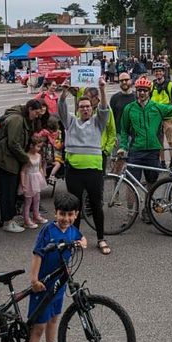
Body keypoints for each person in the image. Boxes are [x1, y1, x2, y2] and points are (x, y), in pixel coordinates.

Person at [20, 192, 87, 342]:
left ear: (76, 215)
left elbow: (81, 238)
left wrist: (81, 242)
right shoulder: (48, 231)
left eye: (70, 214)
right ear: (56, 213)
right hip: (43, 286)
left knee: (54, 319)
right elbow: (37, 254)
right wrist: (34, 280)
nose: (66, 218)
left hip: (60, 284)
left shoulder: (73, 230)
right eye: (62, 214)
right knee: (37, 328)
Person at [57, 78, 112, 254]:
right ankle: (75, 239)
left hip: (94, 170)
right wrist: (64, 92)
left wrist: (102, 89)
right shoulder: (70, 122)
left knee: (96, 205)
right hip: (74, 171)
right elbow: (61, 108)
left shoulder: (98, 122)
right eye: (82, 107)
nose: (85, 109)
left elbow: (104, 109)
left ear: (92, 107)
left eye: (88, 106)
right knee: (75, 206)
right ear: (78, 109)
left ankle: (101, 238)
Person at [118, 77, 172, 187]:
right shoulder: (129, 108)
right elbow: (124, 130)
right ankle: (130, 205)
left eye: (145, 90)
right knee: (131, 184)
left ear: (149, 92)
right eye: (139, 90)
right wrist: (123, 146)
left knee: (152, 183)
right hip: (135, 150)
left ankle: (149, 203)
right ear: (136, 91)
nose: (142, 93)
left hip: (152, 151)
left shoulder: (157, 108)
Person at [0, 99, 49, 234]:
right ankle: (7, 221)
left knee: (11, 189)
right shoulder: (16, 120)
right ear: (29, 109)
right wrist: (26, 158)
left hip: (11, 158)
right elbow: (13, 143)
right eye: (36, 112)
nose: (37, 115)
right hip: (6, 159)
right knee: (8, 191)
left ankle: (10, 217)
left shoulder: (24, 118)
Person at [150, 62, 172, 161]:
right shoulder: (152, 85)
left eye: (160, 71)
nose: (158, 73)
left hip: (168, 117)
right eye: (156, 71)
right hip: (156, 118)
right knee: (159, 142)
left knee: (170, 141)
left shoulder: (170, 85)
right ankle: (162, 161)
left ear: (163, 72)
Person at [20, 135, 49, 229]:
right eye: (38, 146)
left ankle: (36, 215)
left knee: (37, 199)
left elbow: (39, 167)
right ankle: (26, 219)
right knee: (28, 201)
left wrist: (42, 176)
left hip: (37, 178)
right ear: (31, 145)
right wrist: (23, 184)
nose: (39, 148)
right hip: (29, 179)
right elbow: (23, 171)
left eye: (40, 147)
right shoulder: (27, 157)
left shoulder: (39, 156)